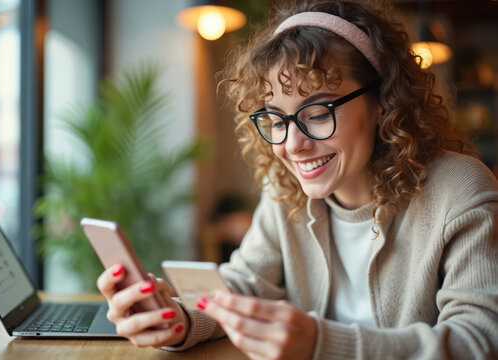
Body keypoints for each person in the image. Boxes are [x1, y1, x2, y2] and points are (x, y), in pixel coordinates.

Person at [97, 1, 498, 358]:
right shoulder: (285, 191)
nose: (292, 145)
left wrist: (320, 344)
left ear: (384, 102)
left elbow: (481, 341)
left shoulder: (459, 190)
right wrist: (180, 318)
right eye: (276, 118)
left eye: (318, 112)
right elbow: (247, 282)